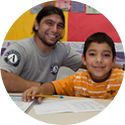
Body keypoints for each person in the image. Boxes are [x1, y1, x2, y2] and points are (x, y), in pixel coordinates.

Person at [0, 6, 123, 93]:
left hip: (44, 99)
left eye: (59, 26)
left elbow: (91, 62)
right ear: (36, 25)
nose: (54, 30)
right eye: (49, 23)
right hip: (21, 99)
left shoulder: (62, 50)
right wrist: (42, 87)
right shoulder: (19, 48)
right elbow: (3, 79)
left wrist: (121, 67)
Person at [22, 32, 125, 103]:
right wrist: (41, 90)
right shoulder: (77, 79)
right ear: (84, 60)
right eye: (92, 54)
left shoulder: (120, 78)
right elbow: (54, 86)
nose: (99, 60)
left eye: (106, 55)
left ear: (113, 61)